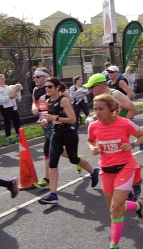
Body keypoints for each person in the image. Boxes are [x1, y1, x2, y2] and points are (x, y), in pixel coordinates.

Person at [86, 94, 143, 249]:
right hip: (106, 171)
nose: (97, 112)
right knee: (115, 210)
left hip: (125, 167)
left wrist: (133, 145)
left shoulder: (124, 123)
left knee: (115, 209)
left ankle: (114, 248)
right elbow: (90, 141)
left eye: (101, 109)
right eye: (95, 108)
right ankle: (138, 206)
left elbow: (142, 136)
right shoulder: (93, 127)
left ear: (111, 109)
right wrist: (92, 148)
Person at [38, 77, 99, 206]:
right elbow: (50, 119)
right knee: (52, 164)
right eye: (46, 87)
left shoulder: (64, 100)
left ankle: (94, 172)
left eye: (49, 86)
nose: (47, 89)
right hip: (57, 134)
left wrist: (54, 117)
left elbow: (73, 120)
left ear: (57, 88)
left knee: (73, 159)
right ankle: (53, 195)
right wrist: (45, 121)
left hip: (69, 133)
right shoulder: (48, 101)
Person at [0, 74, 21, 144]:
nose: (4, 80)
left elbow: (13, 93)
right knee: (8, 122)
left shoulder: (7, 87)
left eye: (4, 78)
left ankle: (18, 134)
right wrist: (9, 97)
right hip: (4, 107)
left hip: (12, 106)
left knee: (17, 120)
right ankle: (8, 137)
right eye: (2, 79)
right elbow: (0, 99)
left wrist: (14, 95)